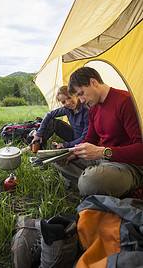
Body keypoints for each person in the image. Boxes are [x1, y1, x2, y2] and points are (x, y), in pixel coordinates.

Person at [55, 66, 143, 198]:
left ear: (93, 82)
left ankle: (89, 183)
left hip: (129, 166)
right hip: (103, 159)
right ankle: (92, 184)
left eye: (81, 93)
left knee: (90, 181)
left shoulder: (124, 101)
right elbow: (89, 140)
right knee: (60, 162)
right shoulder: (94, 109)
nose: (82, 100)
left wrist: (102, 152)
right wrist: (71, 155)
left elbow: (140, 150)